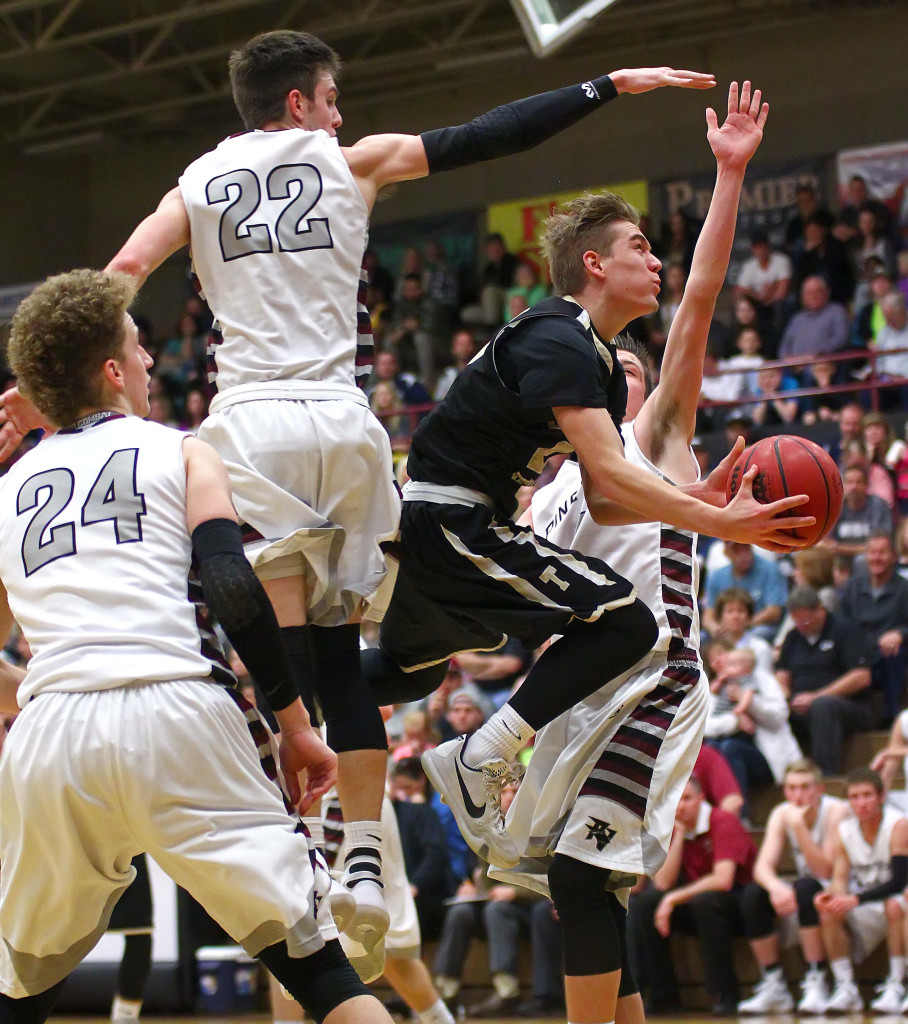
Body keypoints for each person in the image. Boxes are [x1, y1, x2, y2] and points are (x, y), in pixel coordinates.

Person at [0, 35, 724, 966]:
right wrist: (608, 86)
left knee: (289, 658)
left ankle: (307, 855)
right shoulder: (354, 163)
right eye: (333, 99)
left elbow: (120, 277)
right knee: (347, 660)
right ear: (300, 103)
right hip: (344, 427)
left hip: (249, 427)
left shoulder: (194, 186)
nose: (341, 115)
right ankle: (368, 862)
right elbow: (489, 134)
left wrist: (42, 375)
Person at [362, 85, 810, 884]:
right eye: (641, 247)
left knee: (405, 674)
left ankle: (266, 711)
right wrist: (717, 523)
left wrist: (698, 503)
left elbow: (692, 315)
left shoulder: (623, 415)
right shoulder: (562, 358)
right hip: (487, 559)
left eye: (636, 370)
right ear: (597, 263)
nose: (631, 372)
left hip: (600, 661)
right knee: (617, 625)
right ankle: (475, 755)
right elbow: (604, 476)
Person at [0, 269, 393, 1024]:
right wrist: (296, 726)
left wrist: (51, 684)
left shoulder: (11, 490)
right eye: (139, 348)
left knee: (22, 994)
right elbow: (232, 586)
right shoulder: (181, 450)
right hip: (179, 708)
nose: (150, 363)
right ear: (113, 371)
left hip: (50, 739)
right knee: (322, 976)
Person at [497, 82, 777, 1024]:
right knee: (580, 893)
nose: (617, 371)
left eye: (631, 367)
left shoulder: (653, 437)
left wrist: (729, 172)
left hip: (657, 675)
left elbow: (697, 298)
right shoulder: (550, 485)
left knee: (581, 880)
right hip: (578, 690)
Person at [627, 776, 757, 1015]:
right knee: (643, 905)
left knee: (703, 902)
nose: (681, 806)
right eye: (675, 801)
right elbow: (663, 883)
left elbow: (723, 879)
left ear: (701, 798)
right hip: (698, 905)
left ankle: (725, 995)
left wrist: (673, 899)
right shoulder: (673, 828)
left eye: (687, 799)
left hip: (738, 906)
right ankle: (662, 997)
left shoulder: (721, 820)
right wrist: (677, 837)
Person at [736, 759, 848, 1015]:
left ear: (820, 789)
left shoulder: (836, 811)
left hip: (838, 887)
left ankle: (817, 978)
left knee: (807, 886)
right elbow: (762, 867)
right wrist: (776, 888)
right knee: (754, 894)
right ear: (785, 790)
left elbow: (825, 870)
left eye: (805, 787)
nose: (798, 795)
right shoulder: (781, 812)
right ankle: (774, 982)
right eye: (792, 788)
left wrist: (799, 827)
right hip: (804, 886)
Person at [814, 769, 908, 1014]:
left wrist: (855, 899)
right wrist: (832, 896)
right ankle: (846, 988)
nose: (861, 803)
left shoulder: (898, 825)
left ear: (880, 797)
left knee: (895, 904)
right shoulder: (844, 831)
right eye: (854, 797)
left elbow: (899, 881)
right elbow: (840, 878)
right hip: (866, 900)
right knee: (829, 912)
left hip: (895, 897)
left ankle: (897, 983)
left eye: (867, 795)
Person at [776, 586, 874, 776]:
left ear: (820, 610)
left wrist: (816, 697)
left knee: (823, 706)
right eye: (796, 621)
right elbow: (782, 672)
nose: (801, 625)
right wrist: (787, 697)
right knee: (772, 711)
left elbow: (862, 676)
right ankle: (783, 774)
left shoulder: (845, 629)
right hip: (800, 705)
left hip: (849, 706)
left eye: (805, 619)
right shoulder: (793, 637)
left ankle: (824, 774)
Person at [839, 530, 908, 725]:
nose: (876, 558)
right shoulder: (853, 587)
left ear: (894, 556)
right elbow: (842, 622)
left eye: (882, 553)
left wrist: (900, 634)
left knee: (894, 653)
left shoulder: (904, 589)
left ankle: (890, 716)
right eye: (872, 552)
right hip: (858, 655)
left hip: (887, 656)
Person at [701, 541, 788, 641]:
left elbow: (774, 612)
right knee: (702, 638)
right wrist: (715, 628)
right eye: (737, 550)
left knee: (759, 633)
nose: (743, 555)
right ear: (727, 553)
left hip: (757, 626)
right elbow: (707, 616)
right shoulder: (716, 576)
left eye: (746, 548)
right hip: (726, 629)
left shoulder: (770, 570)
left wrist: (742, 625)